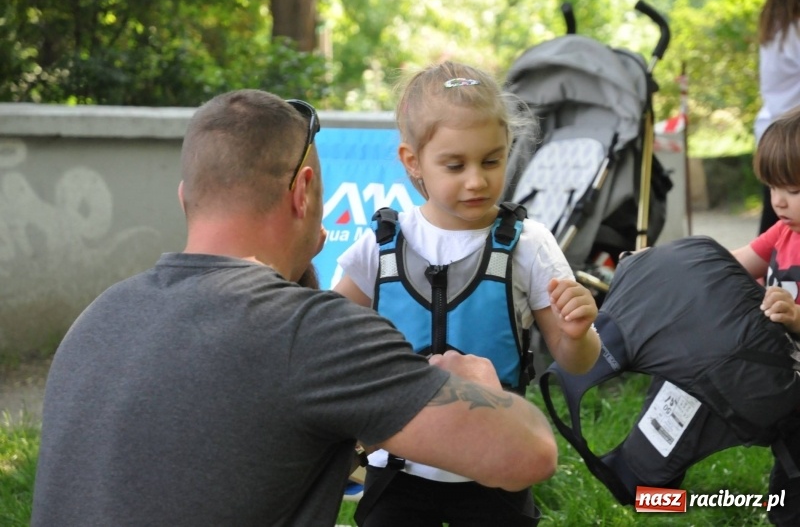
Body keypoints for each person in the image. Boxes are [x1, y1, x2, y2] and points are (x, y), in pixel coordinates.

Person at [30, 89, 560, 527]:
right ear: (304, 193)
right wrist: (482, 386)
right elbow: (528, 452)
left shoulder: (97, 319)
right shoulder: (309, 333)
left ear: (186, 197)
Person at [334, 62, 601, 526]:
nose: (476, 180)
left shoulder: (530, 245)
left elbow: (577, 362)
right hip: (396, 468)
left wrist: (578, 333)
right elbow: (327, 335)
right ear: (412, 161)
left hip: (494, 465)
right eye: (455, 165)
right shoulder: (379, 246)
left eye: (491, 161)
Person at [732, 104, 800, 526]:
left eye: (793, 189)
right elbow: (729, 264)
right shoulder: (783, 231)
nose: (778, 200)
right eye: (772, 186)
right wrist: (670, 261)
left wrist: (795, 316)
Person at [754, 0, 800, 234]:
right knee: (779, 227)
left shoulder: (775, 27)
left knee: (775, 225)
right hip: (792, 136)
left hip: (772, 130)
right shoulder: (795, 29)